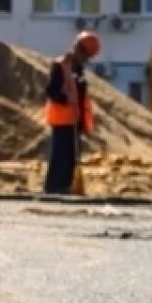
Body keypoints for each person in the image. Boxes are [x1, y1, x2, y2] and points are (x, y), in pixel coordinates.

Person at [43, 31, 100, 195]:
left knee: (71, 157)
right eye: (86, 56)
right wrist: (66, 98)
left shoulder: (79, 70)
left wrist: (82, 121)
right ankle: (53, 187)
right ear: (79, 50)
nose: (86, 60)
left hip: (74, 120)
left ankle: (67, 185)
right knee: (60, 155)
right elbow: (51, 91)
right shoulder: (60, 66)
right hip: (61, 119)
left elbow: (81, 96)